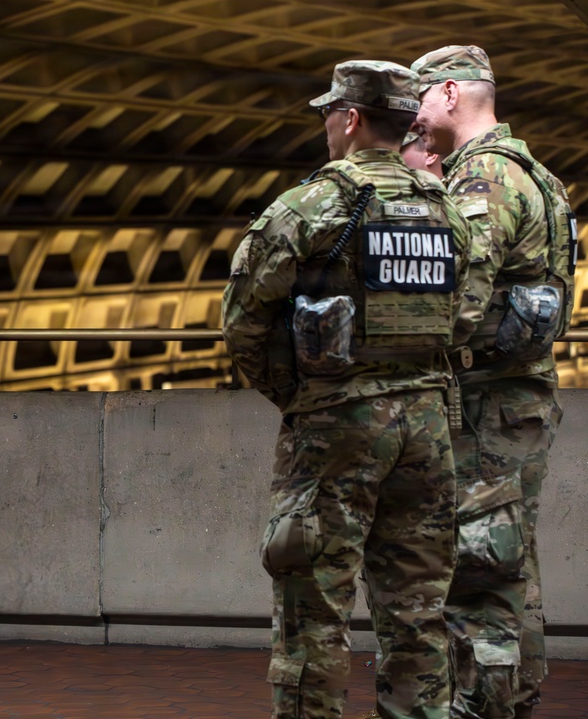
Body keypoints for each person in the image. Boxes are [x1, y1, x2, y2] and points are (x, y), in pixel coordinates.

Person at [222, 60, 472, 719]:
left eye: (329, 113)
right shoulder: (443, 208)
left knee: (314, 615)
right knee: (418, 615)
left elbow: (243, 320)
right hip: (428, 431)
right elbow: (462, 309)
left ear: (351, 119)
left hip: (335, 432)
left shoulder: (314, 204)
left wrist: (302, 393)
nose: (327, 125)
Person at [410, 45, 575, 719]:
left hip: (485, 406)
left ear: (450, 93)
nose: (415, 121)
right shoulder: (537, 173)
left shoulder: (481, 180)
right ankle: (518, 694)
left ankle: (480, 705)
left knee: (474, 571)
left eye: (419, 100)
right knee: (511, 563)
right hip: (523, 399)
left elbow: (456, 304)